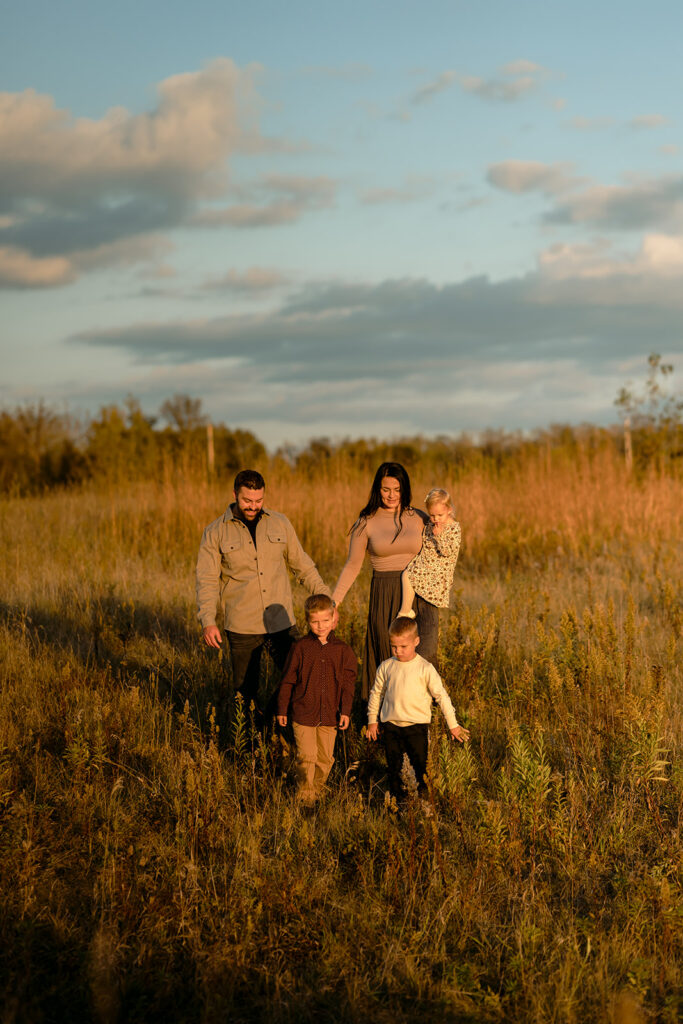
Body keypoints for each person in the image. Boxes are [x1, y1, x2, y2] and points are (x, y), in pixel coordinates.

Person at [196, 469, 333, 720]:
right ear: (235, 494)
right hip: (242, 625)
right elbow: (206, 581)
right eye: (247, 501)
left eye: (259, 500)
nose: (253, 506)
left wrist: (327, 602)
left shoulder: (280, 522)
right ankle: (248, 750)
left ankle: (270, 725)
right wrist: (208, 620)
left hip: (280, 622)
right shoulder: (215, 532)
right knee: (244, 694)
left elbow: (302, 565)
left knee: (301, 678)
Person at [332, 462, 436, 699]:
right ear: (377, 489)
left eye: (397, 489)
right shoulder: (365, 522)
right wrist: (334, 603)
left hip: (418, 595)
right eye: (386, 489)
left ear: (405, 489)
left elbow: (441, 551)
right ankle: (381, 722)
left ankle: (419, 723)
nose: (391, 495)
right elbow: (352, 565)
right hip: (384, 594)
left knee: (423, 657)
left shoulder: (419, 517)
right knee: (389, 657)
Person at [366, 616, 470, 807]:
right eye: (394, 646)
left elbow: (442, 697)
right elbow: (376, 693)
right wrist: (372, 720)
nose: (398, 651)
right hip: (391, 727)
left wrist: (453, 726)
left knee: (420, 767)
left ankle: (422, 804)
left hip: (417, 728)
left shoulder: (425, 668)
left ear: (416, 641)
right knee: (394, 768)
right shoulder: (387, 666)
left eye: (403, 647)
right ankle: (398, 805)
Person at [276, 594, 357, 806]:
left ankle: (316, 790)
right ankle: (305, 799)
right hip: (303, 713)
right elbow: (287, 680)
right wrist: (282, 709)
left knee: (325, 759)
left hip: (330, 715)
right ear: (307, 621)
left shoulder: (343, 651)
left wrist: (346, 711)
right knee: (307, 757)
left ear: (334, 619)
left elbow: (349, 685)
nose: (320, 626)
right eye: (315, 621)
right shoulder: (300, 648)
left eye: (325, 621)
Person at [398, 488, 461, 617]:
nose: (435, 519)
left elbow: (448, 551)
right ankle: (407, 609)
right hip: (426, 564)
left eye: (439, 515)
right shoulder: (431, 524)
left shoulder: (454, 528)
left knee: (408, 575)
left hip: (438, 570)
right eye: (432, 515)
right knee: (407, 575)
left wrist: (439, 536)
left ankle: (404, 612)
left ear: (449, 510)